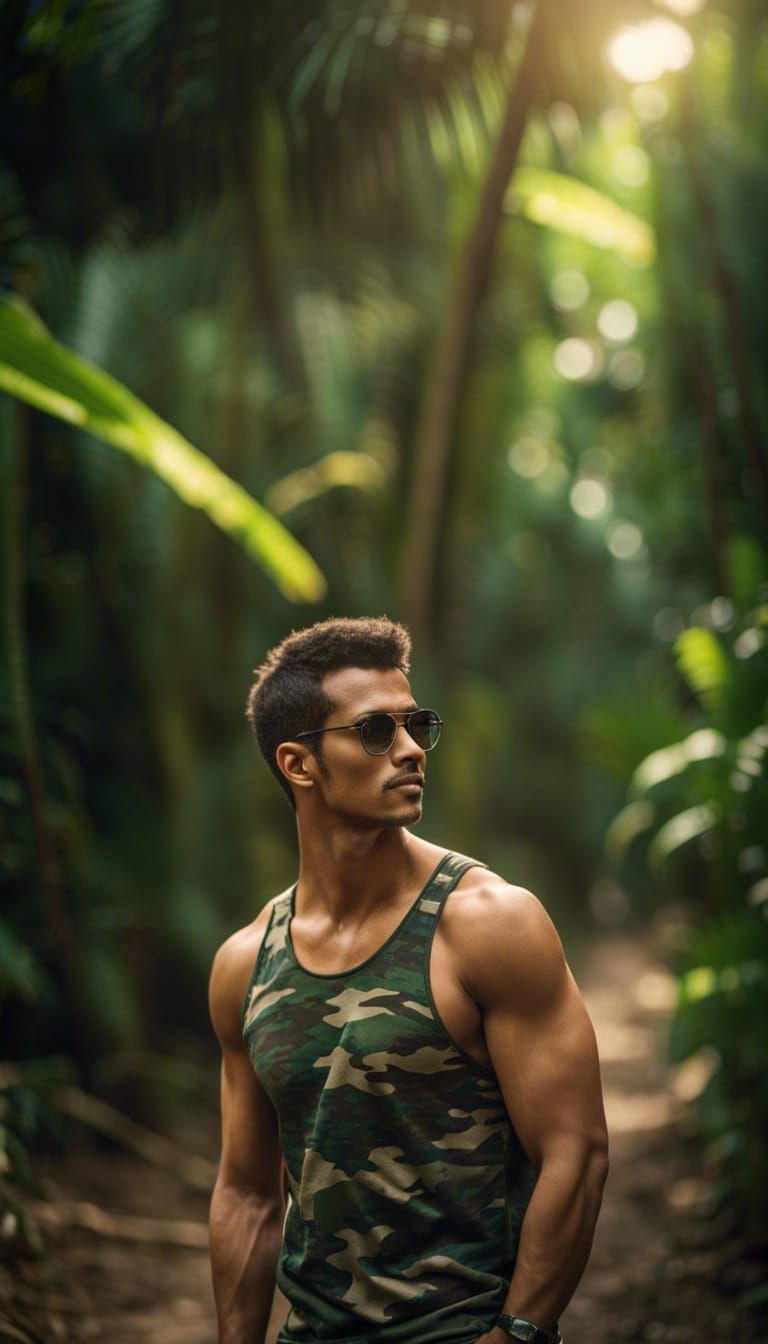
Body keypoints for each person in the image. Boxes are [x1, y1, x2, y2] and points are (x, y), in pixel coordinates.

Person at [209, 616, 608, 1344]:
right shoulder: (246, 963)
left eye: (416, 723)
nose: (412, 749)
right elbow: (246, 1195)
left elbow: (575, 1152)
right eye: (374, 731)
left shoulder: (489, 924)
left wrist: (518, 1332)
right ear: (298, 765)